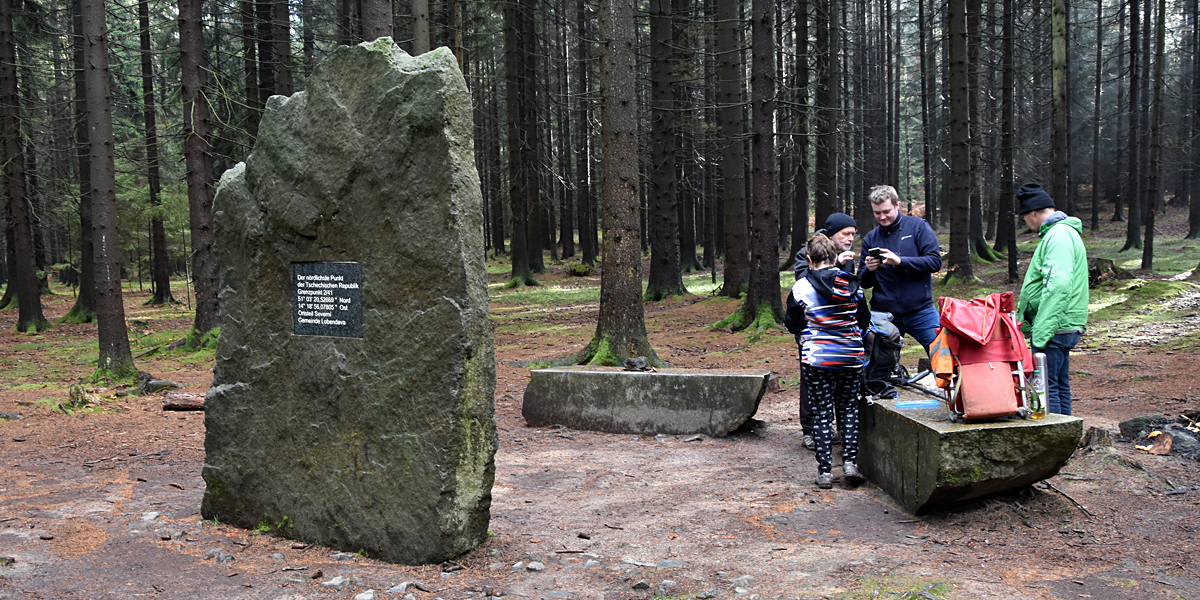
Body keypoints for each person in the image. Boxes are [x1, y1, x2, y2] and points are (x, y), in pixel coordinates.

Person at [790, 233, 870, 489]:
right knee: (848, 409)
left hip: (817, 359)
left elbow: (792, 322)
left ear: (809, 260)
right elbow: (864, 320)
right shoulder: (851, 283)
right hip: (851, 356)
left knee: (822, 414)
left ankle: (825, 472)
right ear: (835, 257)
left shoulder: (801, 287)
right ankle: (849, 464)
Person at [1014, 182, 1088, 415]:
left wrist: (1042, 331)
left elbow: (1058, 285)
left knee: (1048, 387)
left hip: (1055, 325)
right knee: (1058, 383)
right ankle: (1067, 438)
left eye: (1025, 218)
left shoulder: (1058, 235)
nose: (1027, 224)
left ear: (1034, 212)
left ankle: (1055, 441)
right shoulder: (1061, 233)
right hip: (1061, 324)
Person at [790, 213, 856, 451]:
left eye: (852, 234)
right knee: (812, 382)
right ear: (831, 235)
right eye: (845, 234)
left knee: (843, 382)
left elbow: (849, 290)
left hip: (841, 333)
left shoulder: (847, 257)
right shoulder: (806, 253)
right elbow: (804, 283)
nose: (850, 239)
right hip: (813, 331)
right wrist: (835, 266)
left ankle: (841, 429)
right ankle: (811, 430)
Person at [859, 185, 943, 354]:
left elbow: (935, 262)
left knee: (942, 358)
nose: (882, 217)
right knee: (881, 368)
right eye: (877, 213)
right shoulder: (871, 238)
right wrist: (869, 269)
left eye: (886, 211)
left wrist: (900, 261)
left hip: (921, 311)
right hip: (884, 314)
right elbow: (863, 282)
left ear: (898, 206)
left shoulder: (918, 226)